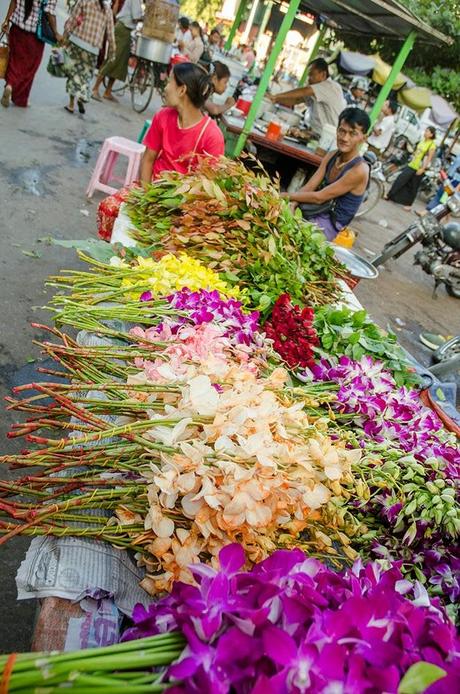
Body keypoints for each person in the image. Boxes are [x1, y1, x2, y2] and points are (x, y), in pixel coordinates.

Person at [282, 107, 370, 242]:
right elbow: (310, 186)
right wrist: (293, 203)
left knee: (293, 239)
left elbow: (319, 197)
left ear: (363, 138)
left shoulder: (359, 170)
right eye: (342, 131)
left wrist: (283, 195)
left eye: (353, 134)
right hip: (315, 210)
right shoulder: (332, 156)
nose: (345, 138)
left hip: (330, 223)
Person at [140, 62, 225, 183]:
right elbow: (148, 159)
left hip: (183, 199)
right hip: (152, 188)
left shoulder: (212, 136)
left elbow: (209, 185)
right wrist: (145, 195)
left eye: (169, 82)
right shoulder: (163, 116)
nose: (165, 88)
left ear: (182, 90)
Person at [1, 0, 61, 107]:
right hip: (34, 35)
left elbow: (14, 2)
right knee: (30, 67)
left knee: (14, 60)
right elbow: (49, 12)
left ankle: (10, 84)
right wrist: (55, 33)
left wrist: (6, 20)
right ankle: (20, 98)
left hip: (16, 28)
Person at [62, 0, 115, 114]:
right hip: (93, 49)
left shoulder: (84, 1)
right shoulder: (107, 10)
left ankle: (71, 104)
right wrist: (112, 51)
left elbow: (72, 20)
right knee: (86, 75)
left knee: (74, 73)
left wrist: (65, 35)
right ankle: (82, 96)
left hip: (77, 42)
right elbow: (110, 34)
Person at [270, 58, 346, 137]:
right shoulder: (316, 90)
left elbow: (303, 91)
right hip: (314, 133)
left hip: (327, 137)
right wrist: (276, 99)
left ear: (323, 74)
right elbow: (297, 99)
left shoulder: (330, 86)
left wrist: (276, 96)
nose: (309, 79)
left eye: (312, 75)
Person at [92, 0, 141, 101]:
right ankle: (95, 89)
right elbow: (136, 17)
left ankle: (108, 91)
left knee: (120, 64)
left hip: (126, 31)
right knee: (112, 60)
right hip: (122, 29)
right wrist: (147, 18)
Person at [386, 126, 437, 211]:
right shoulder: (422, 141)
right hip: (412, 164)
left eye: (427, 131)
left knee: (413, 186)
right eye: (425, 131)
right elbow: (417, 152)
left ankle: (409, 204)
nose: (425, 132)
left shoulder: (432, 145)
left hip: (419, 168)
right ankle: (390, 195)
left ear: (432, 134)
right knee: (400, 179)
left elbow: (429, 158)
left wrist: (423, 169)